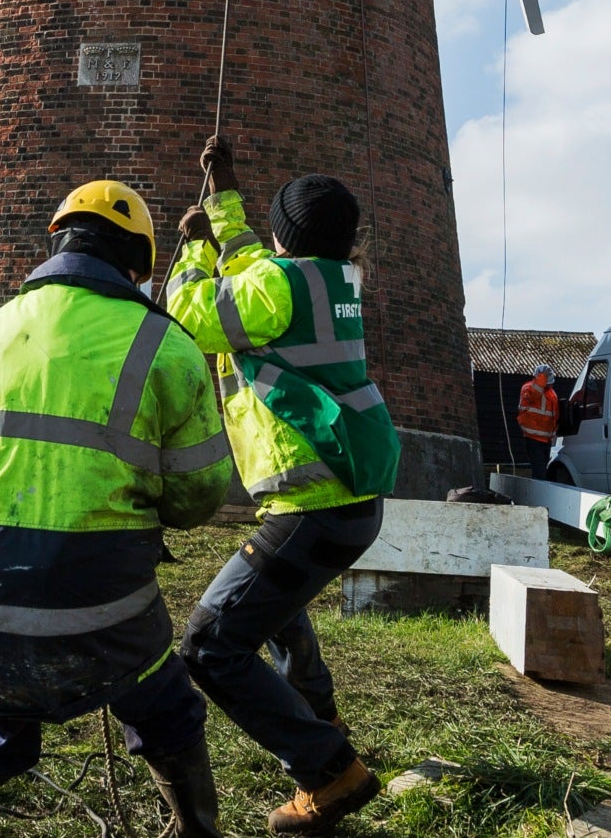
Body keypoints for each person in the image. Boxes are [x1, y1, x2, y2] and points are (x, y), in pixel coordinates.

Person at [0, 179, 239, 838]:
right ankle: (196, 831)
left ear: (59, 246)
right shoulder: (166, 344)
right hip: (90, 582)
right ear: (136, 266)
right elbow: (200, 493)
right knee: (164, 705)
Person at [163, 135, 397, 835]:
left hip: (311, 504)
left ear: (282, 235)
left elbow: (191, 317)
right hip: (351, 500)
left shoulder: (271, 287)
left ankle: (329, 770)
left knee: (209, 645)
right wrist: (224, 193)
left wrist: (192, 251)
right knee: (277, 613)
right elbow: (257, 263)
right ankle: (319, 716)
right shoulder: (327, 279)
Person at [514, 364, 560, 480]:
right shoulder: (529, 388)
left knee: (542, 471)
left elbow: (554, 416)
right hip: (532, 438)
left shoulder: (552, 394)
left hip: (546, 439)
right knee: (539, 472)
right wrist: (541, 379)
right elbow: (534, 395)